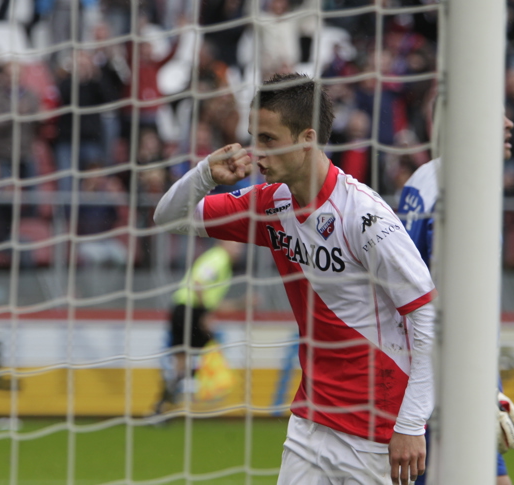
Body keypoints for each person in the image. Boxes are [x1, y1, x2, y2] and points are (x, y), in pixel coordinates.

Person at [154, 73, 436, 485]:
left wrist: (411, 425)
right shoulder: (271, 204)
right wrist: (205, 174)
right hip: (309, 424)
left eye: (268, 139)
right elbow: (170, 217)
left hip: (376, 431)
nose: (257, 152)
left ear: (306, 139)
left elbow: (428, 318)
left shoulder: (365, 218)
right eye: (254, 137)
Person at [398, 112, 514, 485]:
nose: (509, 124)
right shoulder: (456, 191)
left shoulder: (431, 179)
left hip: (449, 370)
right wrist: (480, 386)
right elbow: (445, 305)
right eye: (495, 113)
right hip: (443, 377)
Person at [154, 240, 245, 415]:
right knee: (209, 350)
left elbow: (212, 300)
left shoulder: (220, 262)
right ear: (222, 244)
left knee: (183, 362)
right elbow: (198, 283)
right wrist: (205, 314)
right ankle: (197, 391)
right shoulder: (218, 259)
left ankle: (162, 405)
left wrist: (242, 304)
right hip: (190, 310)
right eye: (235, 245)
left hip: (184, 308)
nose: (238, 250)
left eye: (240, 247)